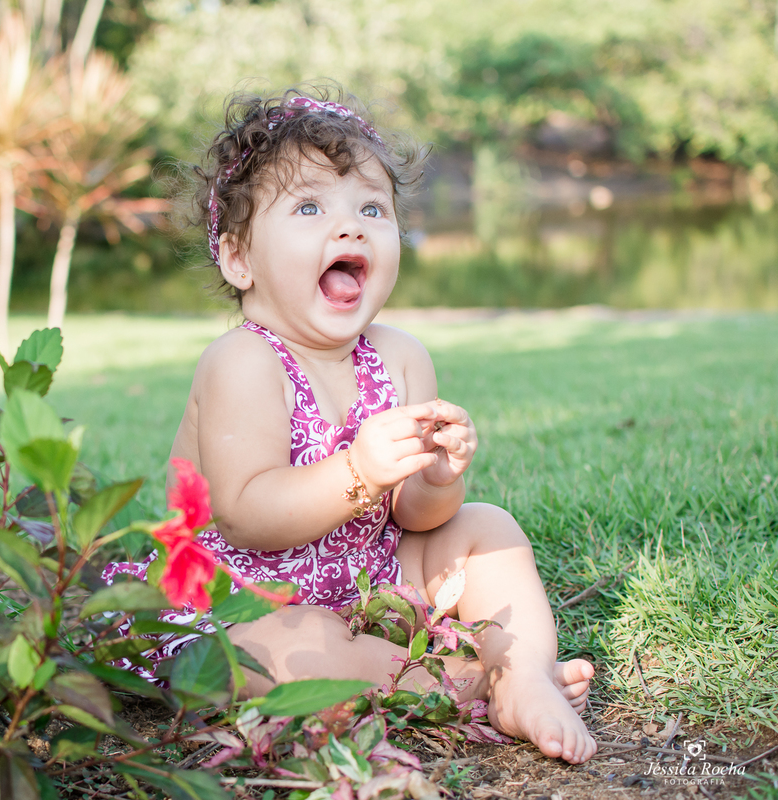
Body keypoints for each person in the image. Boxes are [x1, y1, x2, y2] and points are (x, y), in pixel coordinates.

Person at [105, 87, 597, 764]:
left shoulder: (401, 356)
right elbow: (246, 514)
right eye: (309, 208)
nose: (351, 227)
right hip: (243, 596)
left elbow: (415, 519)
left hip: (368, 578)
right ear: (238, 258)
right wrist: (359, 470)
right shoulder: (243, 362)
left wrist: (437, 480)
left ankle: (524, 665)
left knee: (489, 530)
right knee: (282, 651)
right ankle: (477, 683)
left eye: (372, 208)